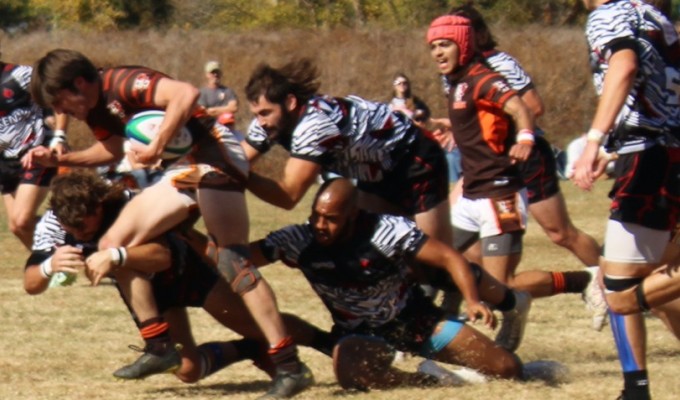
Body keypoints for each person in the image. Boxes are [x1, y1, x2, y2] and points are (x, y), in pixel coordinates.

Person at [23, 49, 312, 398]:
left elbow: (185, 95)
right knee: (112, 244)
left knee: (233, 261)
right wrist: (62, 159)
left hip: (214, 155)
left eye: (60, 101)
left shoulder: (123, 82)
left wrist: (158, 143)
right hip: (182, 171)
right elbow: (115, 150)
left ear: (79, 83)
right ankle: (158, 344)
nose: (62, 112)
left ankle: (289, 365)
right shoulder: (97, 108)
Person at [24, 171, 325, 389]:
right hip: (151, 297)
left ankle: (326, 341)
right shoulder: (53, 225)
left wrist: (115, 255)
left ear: (99, 207)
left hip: (184, 267)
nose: (78, 235)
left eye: (85, 227)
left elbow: (161, 256)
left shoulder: (125, 204)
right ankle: (247, 349)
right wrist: (49, 266)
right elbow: (30, 283)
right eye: (72, 229)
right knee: (188, 371)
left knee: (250, 322)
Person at [248, 178, 525, 390]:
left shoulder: (386, 230)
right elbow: (240, 259)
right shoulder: (298, 240)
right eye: (316, 215)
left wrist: (473, 300)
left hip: (417, 322)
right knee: (350, 374)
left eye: (331, 219)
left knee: (507, 368)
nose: (320, 225)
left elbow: (449, 257)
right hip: (363, 335)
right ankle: (427, 380)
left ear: (353, 216)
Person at [446, 3, 608, 331]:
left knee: (560, 233)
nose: (450, 42)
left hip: (524, 159)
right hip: (484, 166)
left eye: (459, 34)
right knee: (457, 245)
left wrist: (505, 132)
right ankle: (479, 307)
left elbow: (532, 106)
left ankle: (610, 283)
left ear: (477, 34)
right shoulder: (454, 71)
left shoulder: (499, 63)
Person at [573, 1, 680, 399]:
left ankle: (636, 392)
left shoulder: (611, 14)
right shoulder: (660, 21)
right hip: (663, 153)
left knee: (618, 291)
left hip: (651, 159)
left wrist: (595, 140)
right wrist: (615, 150)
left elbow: (624, 67)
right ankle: (635, 390)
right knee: (654, 277)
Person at [242, 58, 453, 253]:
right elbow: (235, 160)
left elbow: (288, 196)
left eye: (265, 113)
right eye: (256, 114)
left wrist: (238, 173)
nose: (261, 122)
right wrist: (224, 167)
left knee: (432, 259)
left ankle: (473, 279)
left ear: (290, 103)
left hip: (416, 158)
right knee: (373, 250)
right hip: (377, 171)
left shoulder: (315, 125)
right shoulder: (269, 122)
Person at [426, 15, 534, 296]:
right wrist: (452, 129)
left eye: (445, 45)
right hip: (471, 193)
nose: (437, 52)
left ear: (462, 45)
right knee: (431, 263)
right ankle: (446, 318)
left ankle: (581, 281)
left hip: (500, 194)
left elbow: (519, 108)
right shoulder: (456, 82)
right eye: (433, 46)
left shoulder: (483, 78)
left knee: (499, 288)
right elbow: (483, 123)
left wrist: (524, 138)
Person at [0, 58, 68, 249]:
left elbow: (57, 99)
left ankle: (79, 237)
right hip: (5, 162)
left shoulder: (21, 75)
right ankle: (52, 261)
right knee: (17, 226)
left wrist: (59, 136)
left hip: (35, 153)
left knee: (22, 220)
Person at [198, 60, 241, 139]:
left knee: (227, 117)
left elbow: (234, 107)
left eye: (217, 72)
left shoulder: (228, 91)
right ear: (207, 75)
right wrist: (225, 109)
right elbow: (203, 112)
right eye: (212, 72)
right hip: (210, 128)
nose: (215, 75)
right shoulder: (202, 93)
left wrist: (214, 110)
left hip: (227, 127)